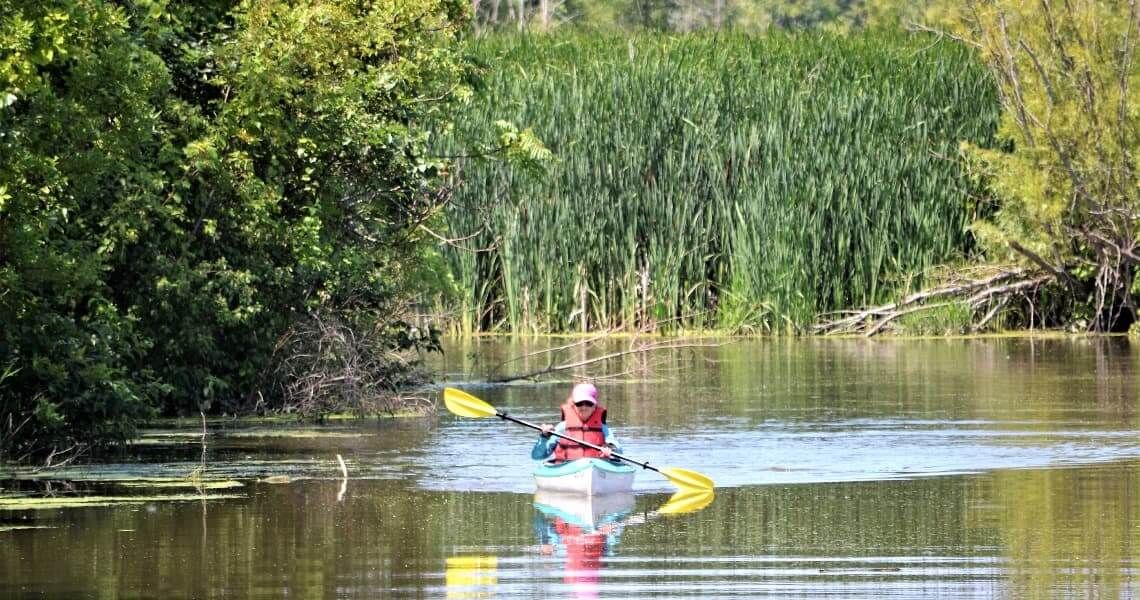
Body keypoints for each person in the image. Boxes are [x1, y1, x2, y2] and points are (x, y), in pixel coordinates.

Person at [531, 383, 621, 462]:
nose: (584, 407)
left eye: (588, 403)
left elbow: (619, 450)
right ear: (574, 405)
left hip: (595, 465)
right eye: (580, 403)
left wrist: (610, 449)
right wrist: (544, 437)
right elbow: (537, 456)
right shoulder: (562, 427)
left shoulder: (603, 428)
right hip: (566, 468)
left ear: (594, 406)